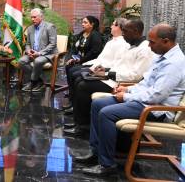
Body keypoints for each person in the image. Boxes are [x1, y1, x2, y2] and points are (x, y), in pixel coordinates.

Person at [72, 23, 185, 176]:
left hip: (157, 110)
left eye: (152, 42)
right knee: (98, 104)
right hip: (144, 102)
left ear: (166, 41)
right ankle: (96, 153)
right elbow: (146, 83)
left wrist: (126, 96)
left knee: (107, 113)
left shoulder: (175, 63)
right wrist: (128, 89)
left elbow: (156, 96)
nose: (149, 45)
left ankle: (107, 165)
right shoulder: (162, 57)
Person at [64, 19, 155, 135]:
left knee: (83, 85)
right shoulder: (129, 46)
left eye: (125, 32)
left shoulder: (145, 49)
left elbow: (136, 76)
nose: (123, 34)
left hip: (122, 83)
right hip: (113, 78)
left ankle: (83, 127)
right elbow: (116, 64)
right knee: (80, 78)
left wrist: (108, 74)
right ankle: (79, 122)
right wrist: (104, 71)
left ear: (136, 31)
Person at [63, 18, 129, 110]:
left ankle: (76, 106)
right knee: (72, 70)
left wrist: (93, 67)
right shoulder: (111, 41)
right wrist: (84, 64)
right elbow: (100, 58)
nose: (111, 26)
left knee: (77, 76)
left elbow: (113, 63)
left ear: (121, 28)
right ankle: (73, 101)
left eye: (113, 24)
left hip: (106, 72)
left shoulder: (123, 44)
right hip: (99, 66)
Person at [18, 8, 57, 92]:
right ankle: (39, 81)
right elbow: (28, 43)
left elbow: (53, 44)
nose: (32, 19)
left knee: (38, 61)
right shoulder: (30, 28)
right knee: (21, 61)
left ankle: (32, 82)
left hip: (47, 54)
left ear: (41, 17)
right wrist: (28, 51)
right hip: (32, 53)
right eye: (31, 17)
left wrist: (39, 53)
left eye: (35, 17)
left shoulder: (50, 27)